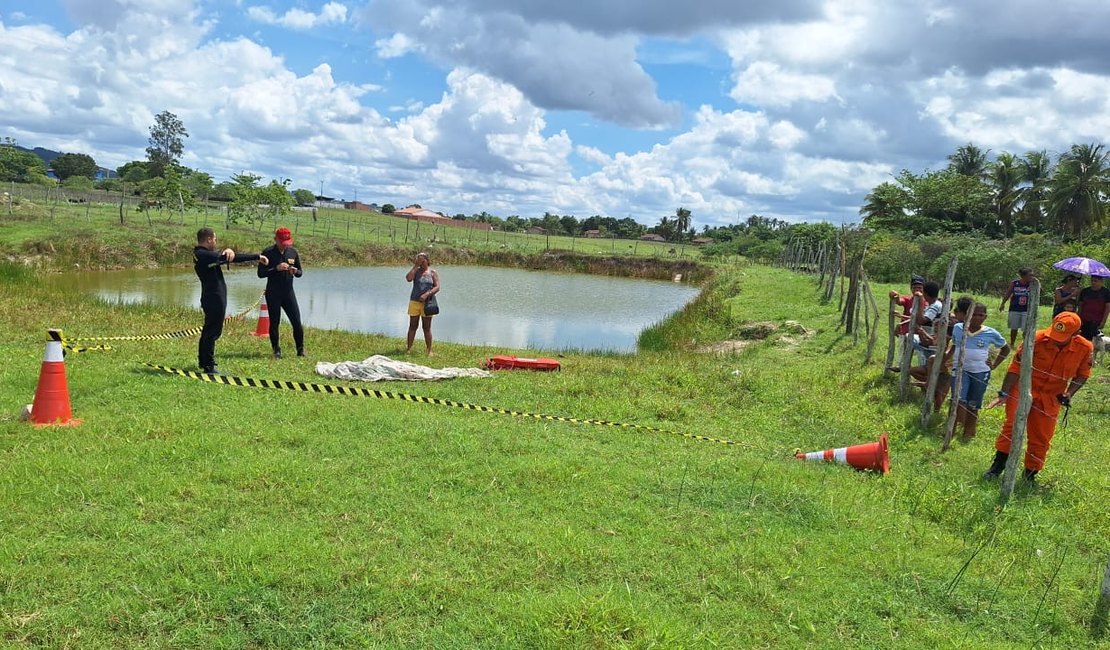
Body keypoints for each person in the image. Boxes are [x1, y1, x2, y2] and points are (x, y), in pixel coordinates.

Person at [981, 311, 1092, 483]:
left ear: (1075, 334)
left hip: (1052, 395)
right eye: (1055, 333)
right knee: (1012, 426)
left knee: (1041, 435)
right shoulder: (1037, 339)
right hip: (1024, 387)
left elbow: (1083, 374)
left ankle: (1030, 475)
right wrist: (1004, 393)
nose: (1055, 338)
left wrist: (1069, 393)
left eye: (1061, 336)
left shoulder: (1085, 348)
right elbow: (1015, 367)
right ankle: (997, 467)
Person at [193, 227, 268, 374]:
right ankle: (209, 366)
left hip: (213, 296)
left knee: (210, 330)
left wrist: (228, 252)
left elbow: (227, 256)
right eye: (215, 239)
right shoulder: (203, 255)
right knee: (213, 332)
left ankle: (203, 361)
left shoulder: (204, 254)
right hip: (213, 298)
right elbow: (232, 257)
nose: (215, 242)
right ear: (208, 239)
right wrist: (256, 257)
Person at [944, 302, 1010, 441]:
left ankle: (969, 431)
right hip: (960, 370)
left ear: (985, 317)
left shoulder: (990, 332)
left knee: (973, 403)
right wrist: (945, 360)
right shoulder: (958, 328)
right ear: (967, 315)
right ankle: (951, 429)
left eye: (980, 315)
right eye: (973, 314)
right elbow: (954, 346)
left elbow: (1005, 348)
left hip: (980, 372)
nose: (977, 317)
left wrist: (994, 365)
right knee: (958, 399)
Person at [910, 296, 973, 411]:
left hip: (951, 364)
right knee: (940, 389)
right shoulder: (950, 324)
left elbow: (949, 346)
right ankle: (930, 387)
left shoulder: (955, 326)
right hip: (948, 362)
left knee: (941, 389)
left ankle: (929, 385)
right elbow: (944, 343)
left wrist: (944, 359)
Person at [258, 227, 305, 358]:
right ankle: (276, 350)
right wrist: (276, 268)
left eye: (287, 243)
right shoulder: (267, 253)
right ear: (276, 240)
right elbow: (260, 274)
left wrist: (295, 271)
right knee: (274, 323)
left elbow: (300, 273)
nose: (285, 246)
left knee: (297, 322)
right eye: (282, 243)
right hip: (273, 293)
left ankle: (300, 350)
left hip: (288, 293)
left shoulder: (293, 252)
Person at [405, 252, 440, 355]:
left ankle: (429, 350)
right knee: (413, 326)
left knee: (426, 327)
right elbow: (408, 278)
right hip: (414, 302)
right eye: (418, 259)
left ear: (427, 260)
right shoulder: (416, 271)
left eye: (422, 259)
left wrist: (426, 294)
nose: (420, 261)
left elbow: (437, 287)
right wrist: (415, 266)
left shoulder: (432, 272)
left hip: (427, 303)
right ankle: (409, 349)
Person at [998, 267, 1033, 348]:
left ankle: (1025, 344)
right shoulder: (1015, 283)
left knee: (1026, 329)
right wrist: (1003, 303)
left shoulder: (1032, 283)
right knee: (1014, 327)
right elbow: (1008, 293)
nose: (1031, 276)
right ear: (1023, 276)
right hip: (1015, 308)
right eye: (1029, 275)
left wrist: (1035, 283)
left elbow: (1040, 292)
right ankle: (1012, 343)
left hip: (1027, 309)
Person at [1076, 274, 1110, 342]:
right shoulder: (1085, 291)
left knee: (1093, 340)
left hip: (1096, 320)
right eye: (1092, 281)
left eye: (1095, 281)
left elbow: (1108, 307)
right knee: (1082, 338)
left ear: (1101, 281)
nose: (1093, 282)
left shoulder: (1106, 292)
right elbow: (1080, 305)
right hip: (1084, 319)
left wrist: (1103, 321)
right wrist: (1078, 318)